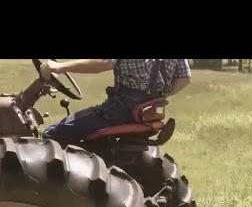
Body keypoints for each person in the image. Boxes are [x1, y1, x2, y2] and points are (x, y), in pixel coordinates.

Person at [41, 59, 191, 145]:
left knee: (52, 134)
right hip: (148, 112)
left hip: (118, 111)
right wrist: (160, 95)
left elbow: (103, 63)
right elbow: (185, 78)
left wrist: (59, 67)